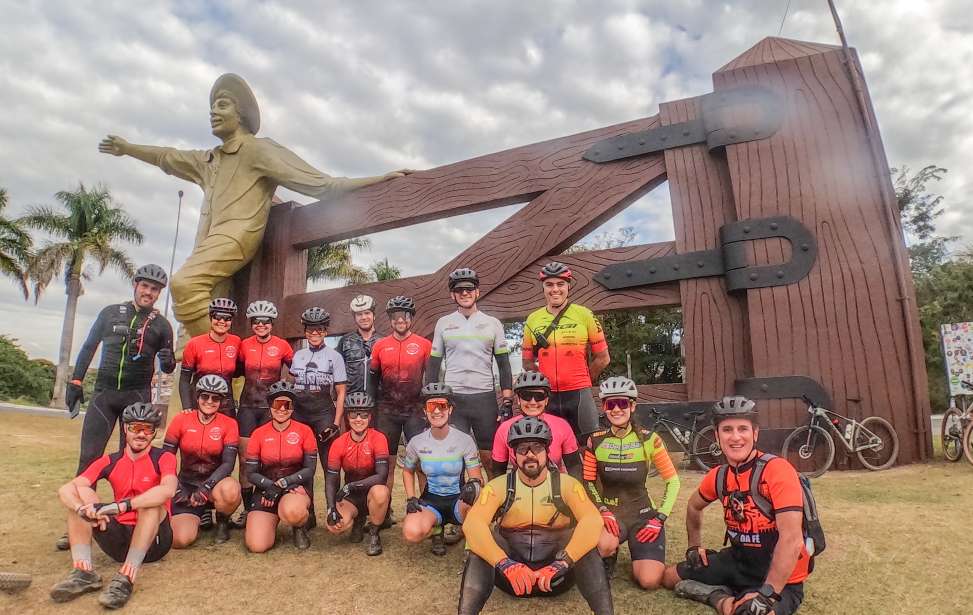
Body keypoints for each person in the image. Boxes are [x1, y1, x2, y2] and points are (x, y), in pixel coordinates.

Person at [99, 72, 412, 342]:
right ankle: (212, 364)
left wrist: (378, 179)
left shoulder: (259, 151)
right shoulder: (208, 160)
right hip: (208, 242)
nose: (213, 112)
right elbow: (167, 157)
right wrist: (127, 148)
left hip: (237, 238)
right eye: (212, 107)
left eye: (222, 106)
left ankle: (218, 353)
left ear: (241, 115)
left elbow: (321, 184)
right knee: (214, 308)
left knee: (184, 285)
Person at [662, 397, 812, 615]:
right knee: (668, 577)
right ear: (717, 435)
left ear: (755, 433)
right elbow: (694, 507)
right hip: (738, 561)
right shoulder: (719, 476)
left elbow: (792, 540)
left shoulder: (777, 471)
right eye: (727, 430)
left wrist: (767, 595)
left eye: (743, 429)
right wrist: (694, 547)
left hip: (780, 576)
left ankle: (719, 598)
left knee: (749, 612)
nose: (735, 437)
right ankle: (723, 595)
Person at [459, 416, 613, 615]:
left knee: (587, 549)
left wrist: (563, 561)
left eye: (537, 447)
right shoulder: (498, 487)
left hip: (557, 576)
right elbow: (473, 524)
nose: (530, 454)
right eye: (523, 449)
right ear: (514, 454)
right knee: (479, 550)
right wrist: (504, 563)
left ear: (548, 451)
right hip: (510, 576)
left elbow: (592, 521)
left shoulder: (567, 485)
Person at [51, 402, 177, 610]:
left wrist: (122, 506)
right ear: (125, 429)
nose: (141, 434)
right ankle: (84, 572)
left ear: (154, 433)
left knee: (151, 504)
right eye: (136, 428)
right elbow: (66, 489)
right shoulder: (110, 460)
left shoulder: (164, 457)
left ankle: (126, 577)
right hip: (118, 539)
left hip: (155, 541)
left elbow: (168, 490)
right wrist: (83, 509)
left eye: (147, 429)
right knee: (79, 497)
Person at [67, 264, 175, 476]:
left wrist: (168, 360)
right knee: (89, 456)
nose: (148, 293)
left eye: (154, 289)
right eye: (145, 286)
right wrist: (76, 381)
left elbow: (168, 367)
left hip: (137, 396)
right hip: (103, 395)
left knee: (132, 458)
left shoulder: (162, 325)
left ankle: (127, 506)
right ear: (135, 284)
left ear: (159, 293)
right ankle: (83, 506)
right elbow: (89, 346)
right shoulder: (110, 313)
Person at [584, 376, 681, 589]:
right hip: (612, 516)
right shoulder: (596, 440)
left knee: (649, 581)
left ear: (632, 406)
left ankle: (640, 555)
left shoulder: (649, 439)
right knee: (604, 545)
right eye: (611, 404)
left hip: (643, 515)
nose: (616, 409)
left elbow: (673, 482)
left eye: (622, 403)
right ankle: (611, 554)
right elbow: (588, 481)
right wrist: (602, 509)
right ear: (604, 407)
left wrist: (660, 518)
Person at [426, 268, 513, 475]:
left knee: (491, 458)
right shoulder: (443, 323)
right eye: (459, 290)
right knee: (455, 459)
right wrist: (430, 397)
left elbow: (503, 364)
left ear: (477, 292)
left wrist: (507, 400)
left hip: (484, 398)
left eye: (469, 289)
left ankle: (497, 502)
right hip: (454, 398)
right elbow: (434, 365)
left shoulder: (493, 323)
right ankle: (459, 505)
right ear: (452, 295)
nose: (464, 293)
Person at [522, 262, 610, 445]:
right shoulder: (533, 319)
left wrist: (585, 380)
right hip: (548, 396)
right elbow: (527, 363)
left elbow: (603, 358)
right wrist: (543, 382)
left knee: (590, 447)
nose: (555, 289)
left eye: (560, 284)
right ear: (543, 287)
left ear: (568, 286)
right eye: (549, 284)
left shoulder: (584, 314)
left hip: (579, 394)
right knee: (550, 448)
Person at [401, 383, 484, 556]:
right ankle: (436, 531)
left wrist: (473, 486)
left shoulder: (465, 440)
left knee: (479, 499)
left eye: (442, 406)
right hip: (431, 502)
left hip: (458, 501)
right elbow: (407, 471)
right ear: (425, 411)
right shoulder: (416, 442)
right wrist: (411, 498)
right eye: (432, 406)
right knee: (411, 533)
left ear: (450, 409)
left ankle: (471, 544)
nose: (437, 411)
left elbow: (477, 478)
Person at [163, 375, 242, 547]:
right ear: (197, 398)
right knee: (180, 540)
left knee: (231, 490)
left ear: (221, 401)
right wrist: (176, 488)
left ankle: (222, 522)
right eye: (205, 396)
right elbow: (166, 457)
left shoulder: (229, 424)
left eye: (215, 398)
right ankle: (199, 514)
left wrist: (206, 488)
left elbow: (228, 464)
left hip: (213, 485)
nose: (210, 401)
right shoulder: (181, 420)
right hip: (186, 485)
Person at [367, 296, 431, 502]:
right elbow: (372, 379)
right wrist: (370, 407)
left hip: (415, 411)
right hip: (387, 411)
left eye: (404, 315)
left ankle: (427, 506)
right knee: (386, 463)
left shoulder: (424, 345)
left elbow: (431, 379)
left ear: (411, 318)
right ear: (390, 320)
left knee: (421, 462)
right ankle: (384, 511)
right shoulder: (380, 345)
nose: (400, 320)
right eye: (395, 316)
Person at [236, 299, 293, 522]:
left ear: (272, 323)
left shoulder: (282, 346)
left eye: (266, 321)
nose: (261, 325)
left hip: (272, 409)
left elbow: (296, 370)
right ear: (252, 324)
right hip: (248, 407)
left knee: (271, 457)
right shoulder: (244, 345)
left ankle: (268, 501)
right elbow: (235, 370)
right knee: (246, 459)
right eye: (257, 322)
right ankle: (247, 507)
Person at [244, 381, 317, 552]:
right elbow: (251, 473)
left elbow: (309, 469)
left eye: (287, 404)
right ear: (270, 405)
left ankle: (298, 526)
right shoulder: (258, 434)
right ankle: (270, 521)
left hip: (294, 488)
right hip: (266, 490)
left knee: (293, 511)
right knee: (257, 546)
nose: (282, 409)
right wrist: (271, 487)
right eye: (278, 403)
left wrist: (283, 484)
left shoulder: (305, 431)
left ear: (293, 408)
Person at [324, 392, 390, 556]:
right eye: (353, 414)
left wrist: (351, 486)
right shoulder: (339, 443)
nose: (358, 419)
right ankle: (358, 520)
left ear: (370, 417)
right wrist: (331, 507)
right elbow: (331, 479)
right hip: (351, 498)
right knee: (334, 526)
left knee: (381, 492)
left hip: (371, 493)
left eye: (363, 414)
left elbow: (382, 476)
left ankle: (374, 533)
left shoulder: (379, 438)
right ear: (347, 417)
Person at [491, 371, 581, 477]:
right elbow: (498, 472)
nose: (533, 402)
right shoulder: (504, 429)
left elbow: (574, 467)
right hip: (520, 486)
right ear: (518, 400)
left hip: (555, 485)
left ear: (546, 400)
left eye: (539, 396)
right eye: (526, 396)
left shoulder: (562, 426)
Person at [290, 307, 345, 475]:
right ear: (305, 331)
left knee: (330, 466)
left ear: (325, 332)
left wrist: (336, 423)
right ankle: (306, 501)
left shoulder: (335, 356)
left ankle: (331, 502)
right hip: (299, 414)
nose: (314, 333)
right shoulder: (298, 355)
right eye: (310, 329)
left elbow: (341, 392)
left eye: (319, 329)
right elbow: (292, 386)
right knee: (300, 464)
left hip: (324, 414)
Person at [179, 297, 241, 416]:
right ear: (211, 318)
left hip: (226, 403)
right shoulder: (194, 343)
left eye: (227, 318)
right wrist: (186, 406)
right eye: (217, 317)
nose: (222, 321)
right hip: (200, 401)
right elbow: (184, 379)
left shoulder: (236, 342)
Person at [338, 294, 379, 395]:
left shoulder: (384, 341)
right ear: (354, 317)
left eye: (367, 313)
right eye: (359, 314)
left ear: (374, 315)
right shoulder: (345, 341)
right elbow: (337, 372)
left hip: (378, 401)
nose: (364, 317)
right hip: (350, 400)